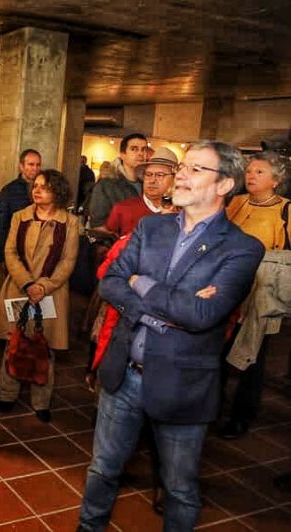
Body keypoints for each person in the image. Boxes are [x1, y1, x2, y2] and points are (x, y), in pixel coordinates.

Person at [78, 141, 264, 532]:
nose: (180, 175)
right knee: (103, 468)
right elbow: (110, 282)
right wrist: (166, 312)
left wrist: (141, 282)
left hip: (183, 384)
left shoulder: (242, 248)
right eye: (183, 167)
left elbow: (201, 314)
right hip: (124, 374)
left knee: (178, 488)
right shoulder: (151, 227)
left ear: (224, 185)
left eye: (196, 169)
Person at [0, 169, 79, 421]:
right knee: (14, 342)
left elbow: (68, 260)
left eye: (44, 187)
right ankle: (7, 394)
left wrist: (44, 286)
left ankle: (41, 402)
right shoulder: (20, 216)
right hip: (19, 287)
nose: (37, 190)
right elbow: (10, 252)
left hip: (51, 292)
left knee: (44, 346)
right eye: (35, 185)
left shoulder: (70, 222)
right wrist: (27, 283)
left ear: (57, 192)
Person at [218, 150, 291, 439]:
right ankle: (212, 406)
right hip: (226, 287)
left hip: (261, 293)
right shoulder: (235, 202)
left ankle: (242, 416)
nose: (251, 175)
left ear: (276, 180)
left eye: (260, 172)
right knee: (218, 350)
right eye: (249, 171)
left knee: (253, 356)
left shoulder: (286, 210)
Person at [104, 147, 177, 236]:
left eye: (160, 175)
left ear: (175, 179)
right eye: (148, 174)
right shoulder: (122, 209)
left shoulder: (184, 214)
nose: (152, 180)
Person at [86, 133, 149, 230]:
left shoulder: (148, 184)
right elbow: (98, 225)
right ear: (123, 155)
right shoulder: (106, 185)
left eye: (144, 149)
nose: (140, 153)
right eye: (134, 149)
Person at [0, 149, 42, 270]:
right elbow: (0, 225)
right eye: (31, 164)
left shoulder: (46, 190)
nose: (35, 168)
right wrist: (2, 256)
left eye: (38, 165)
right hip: (15, 251)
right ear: (21, 166)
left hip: (39, 252)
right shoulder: (9, 190)